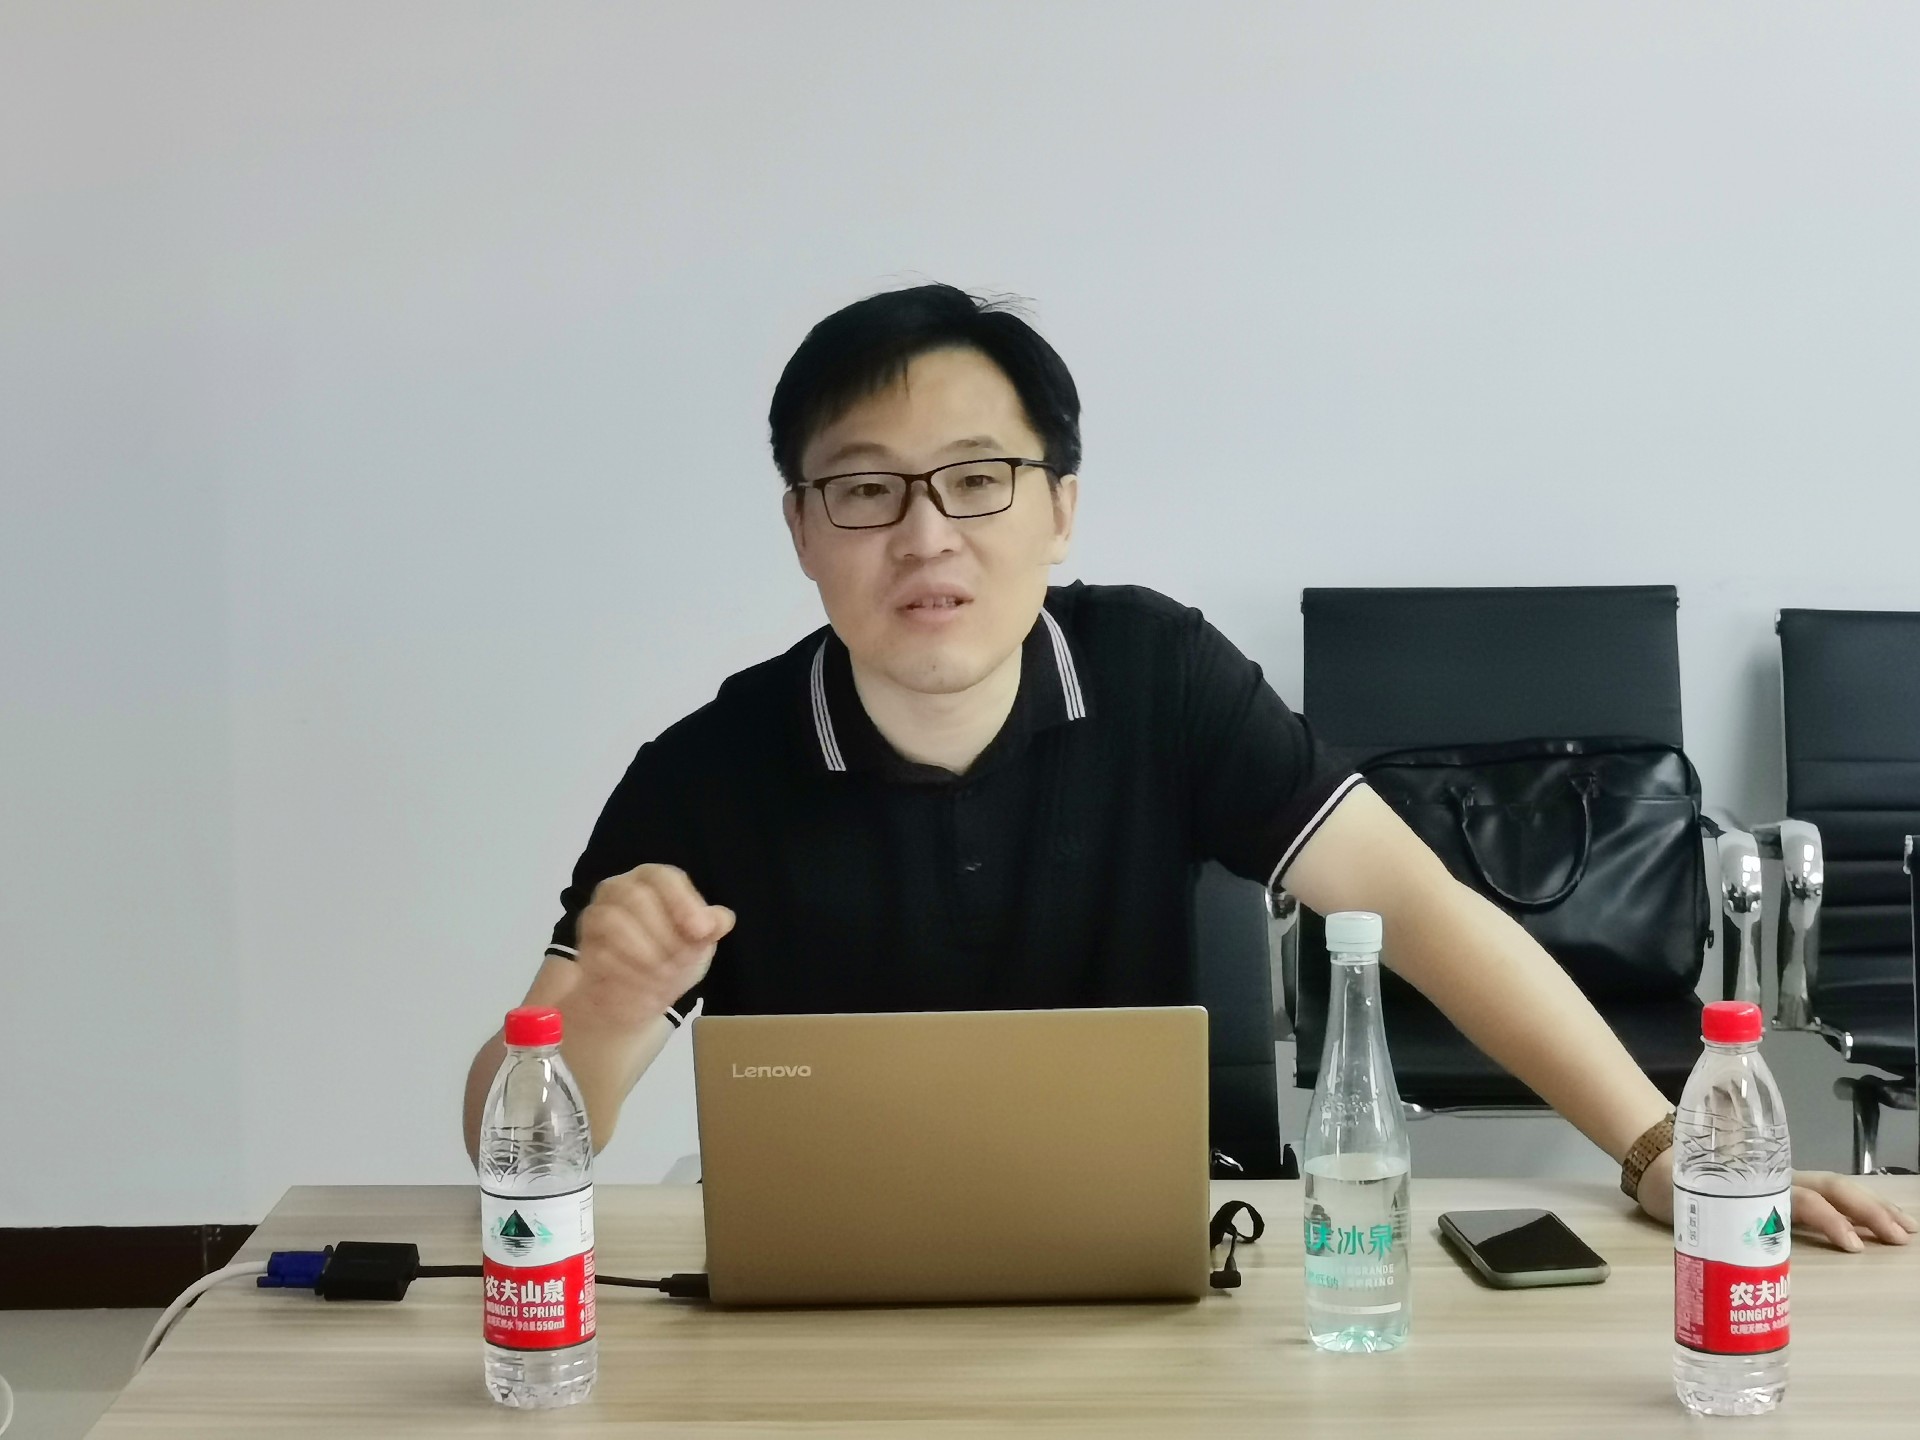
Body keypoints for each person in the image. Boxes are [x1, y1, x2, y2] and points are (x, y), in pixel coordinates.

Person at [463, 283, 1911, 1252]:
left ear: (1059, 510)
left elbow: (1427, 912)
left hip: (1155, 1266)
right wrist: (604, 1015)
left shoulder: (1157, 675)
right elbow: (502, 1131)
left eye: (977, 478)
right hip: (817, 1305)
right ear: (800, 529)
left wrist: (1662, 1148)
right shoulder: (708, 770)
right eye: (864, 489)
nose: (926, 534)